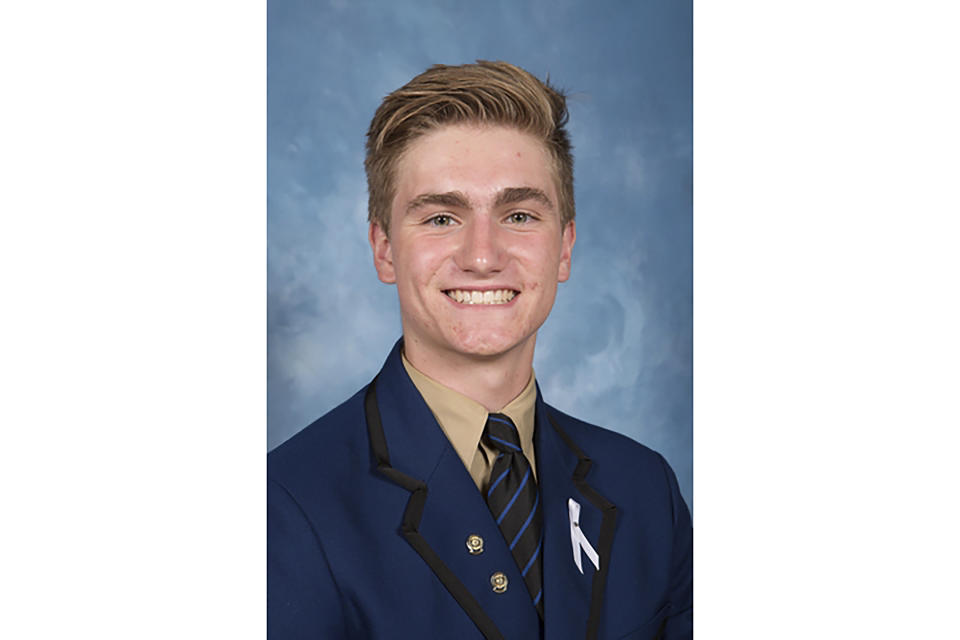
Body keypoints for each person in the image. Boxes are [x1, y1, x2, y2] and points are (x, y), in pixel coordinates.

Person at [267, 60, 692, 640]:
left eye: (519, 215)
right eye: (442, 217)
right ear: (385, 249)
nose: (483, 255)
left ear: (563, 248)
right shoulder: (285, 506)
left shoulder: (644, 490)